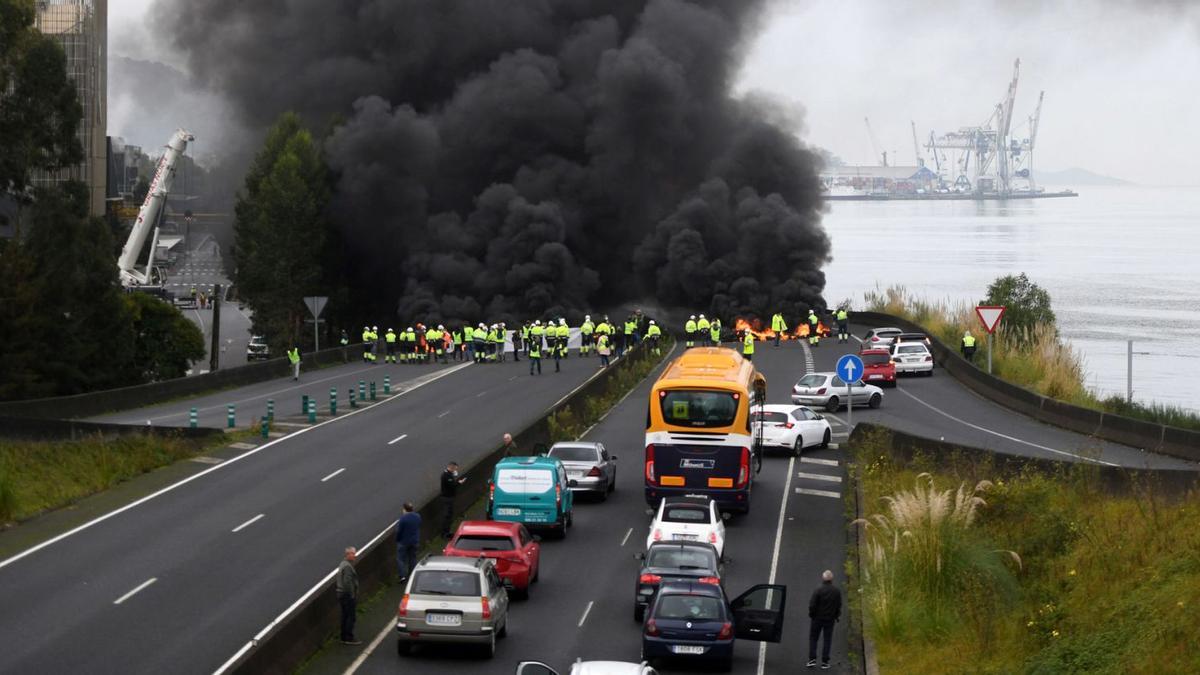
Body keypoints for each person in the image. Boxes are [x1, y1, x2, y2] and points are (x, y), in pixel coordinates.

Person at [807, 570, 842, 669]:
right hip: (829, 620)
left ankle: (812, 659)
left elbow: (812, 605)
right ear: (832, 579)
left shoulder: (818, 590)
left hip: (817, 619)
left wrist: (812, 615)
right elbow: (838, 605)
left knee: (814, 638)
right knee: (827, 640)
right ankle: (825, 661)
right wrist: (836, 615)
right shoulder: (836, 591)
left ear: (823, 578)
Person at [336, 547, 361, 645]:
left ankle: (343, 636)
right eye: (353, 554)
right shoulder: (347, 567)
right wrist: (352, 594)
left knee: (345, 616)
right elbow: (347, 582)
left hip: (341, 594)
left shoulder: (343, 564)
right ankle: (348, 637)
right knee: (351, 616)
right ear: (348, 554)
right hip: (347, 595)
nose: (355, 555)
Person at [396, 502, 421, 582]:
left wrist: (397, 539)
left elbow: (399, 531)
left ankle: (402, 576)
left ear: (405, 509)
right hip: (414, 541)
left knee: (401, 559)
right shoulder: (417, 516)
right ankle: (412, 575)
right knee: (413, 558)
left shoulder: (403, 519)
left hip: (404, 542)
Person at [440, 461, 466, 538]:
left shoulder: (449, 475)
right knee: (447, 516)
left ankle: (447, 532)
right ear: (451, 467)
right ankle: (444, 533)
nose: (455, 471)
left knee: (449, 515)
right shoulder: (446, 476)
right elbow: (452, 485)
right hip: (447, 498)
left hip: (449, 497)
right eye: (455, 469)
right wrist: (460, 482)